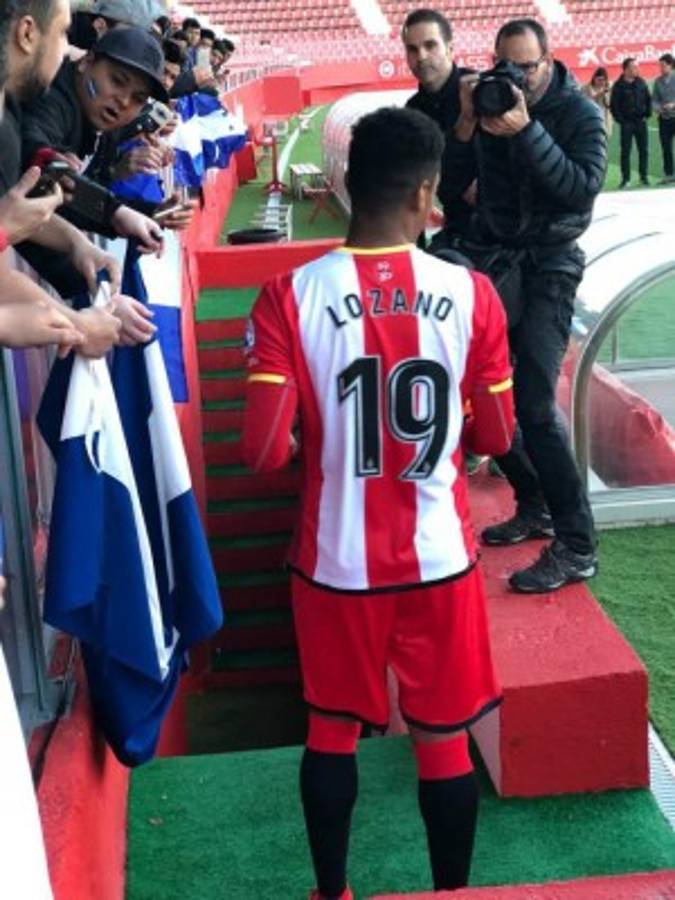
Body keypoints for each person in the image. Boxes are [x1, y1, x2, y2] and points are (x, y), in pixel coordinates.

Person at [241, 106, 514, 899]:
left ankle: (333, 893)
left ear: (342, 185)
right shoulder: (473, 294)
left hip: (334, 566)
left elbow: (259, 452)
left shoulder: (286, 296)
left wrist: (306, 441)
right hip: (439, 562)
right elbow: (494, 431)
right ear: (426, 191)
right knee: (442, 742)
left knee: (330, 732)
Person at [439, 18, 606, 593]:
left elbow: (581, 188)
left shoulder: (580, 112)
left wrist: (526, 130)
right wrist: (465, 124)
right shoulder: (487, 106)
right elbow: (449, 187)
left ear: (549, 60)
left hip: (552, 263)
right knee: (484, 388)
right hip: (496, 257)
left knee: (534, 403)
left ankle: (578, 545)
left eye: (526, 67)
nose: (516, 78)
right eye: (506, 66)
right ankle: (533, 503)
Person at [402, 8, 473, 240]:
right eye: (412, 49)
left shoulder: (482, 92)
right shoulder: (412, 113)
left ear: (450, 49)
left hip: (508, 230)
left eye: (430, 45)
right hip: (456, 229)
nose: (421, 56)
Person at [610, 57, 651, 188]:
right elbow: (614, 105)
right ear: (626, 69)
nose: (636, 69)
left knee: (643, 150)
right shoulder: (618, 85)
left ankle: (643, 177)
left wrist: (647, 114)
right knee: (626, 151)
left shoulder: (641, 82)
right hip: (626, 123)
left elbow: (648, 99)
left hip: (640, 121)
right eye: (633, 67)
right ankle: (626, 179)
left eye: (637, 67)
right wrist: (620, 120)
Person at [652, 53, 675, 184]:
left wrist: (673, 104)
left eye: (663, 65)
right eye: (659, 66)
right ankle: (669, 174)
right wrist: (657, 108)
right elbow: (654, 99)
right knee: (666, 147)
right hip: (664, 119)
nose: (661, 68)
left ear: (670, 65)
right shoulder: (657, 81)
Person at [581, 66, 612, 135]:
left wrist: (605, 95)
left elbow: (609, 104)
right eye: (599, 80)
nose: (601, 82)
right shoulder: (585, 89)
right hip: (590, 120)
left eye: (603, 80)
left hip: (604, 120)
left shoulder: (608, 89)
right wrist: (599, 94)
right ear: (594, 78)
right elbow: (587, 103)